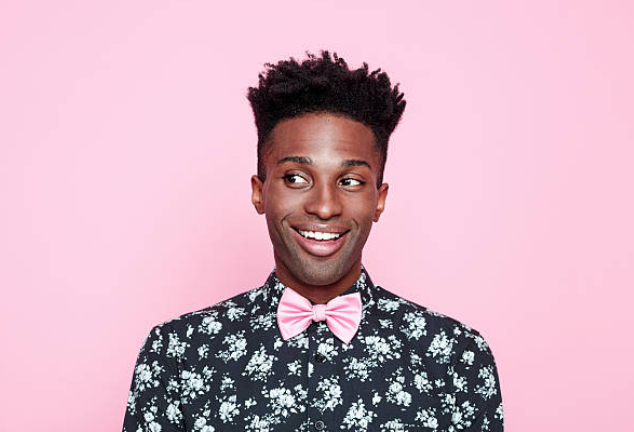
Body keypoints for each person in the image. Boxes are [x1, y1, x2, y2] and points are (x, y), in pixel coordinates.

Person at [122, 51, 503, 432]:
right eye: (296, 178)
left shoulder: (456, 358)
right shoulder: (177, 354)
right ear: (260, 192)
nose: (324, 207)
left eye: (350, 181)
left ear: (379, 199)